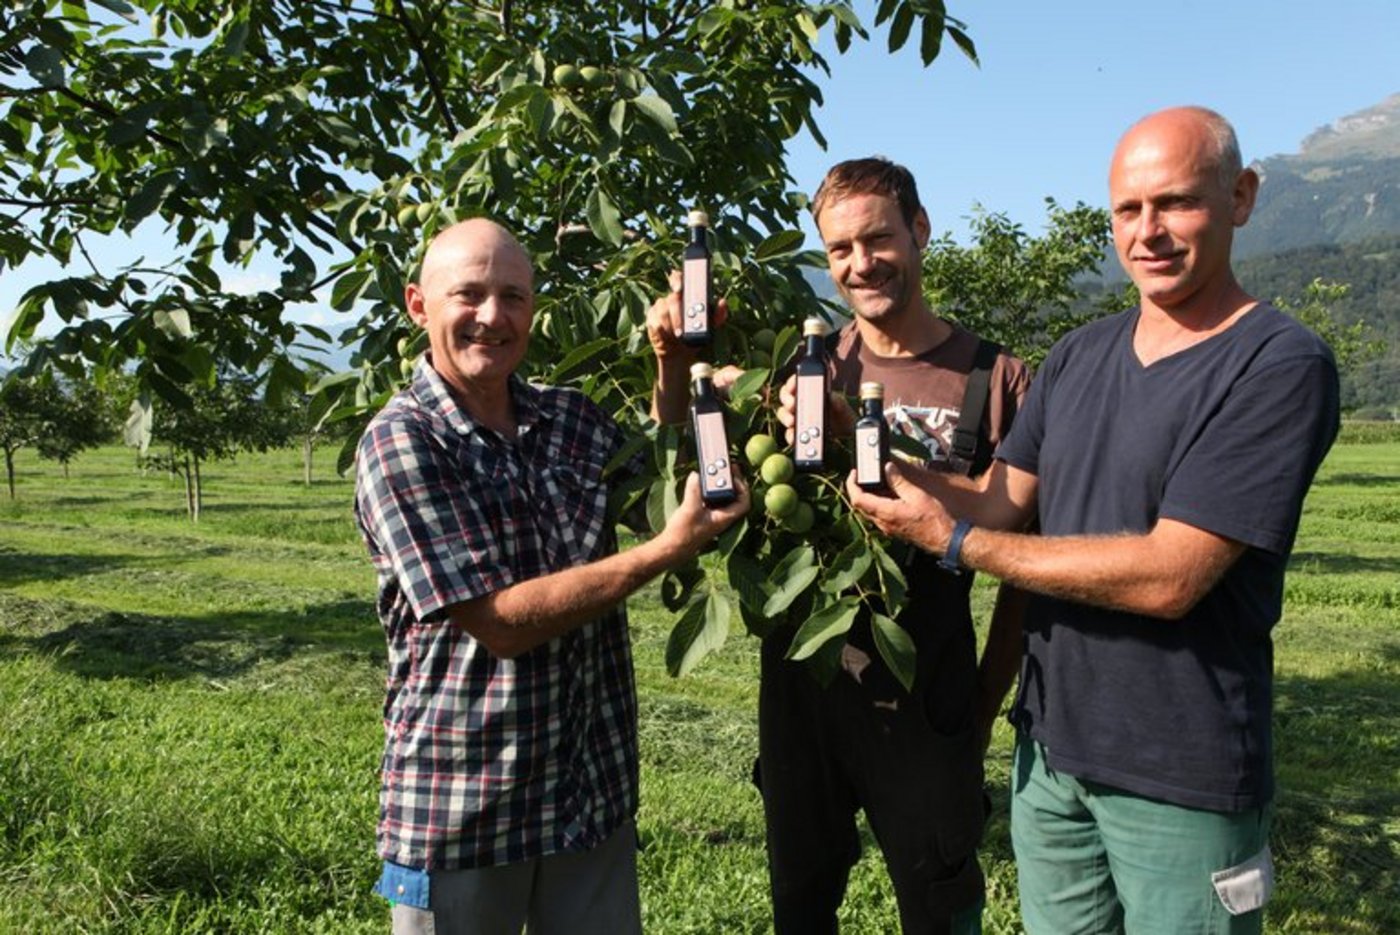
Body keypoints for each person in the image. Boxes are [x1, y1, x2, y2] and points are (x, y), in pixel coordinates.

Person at [847, 107, 1341, 934]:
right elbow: (999, 498)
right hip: (1052, 755)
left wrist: (960, 543)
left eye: (1175, 203)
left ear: (1242, 196)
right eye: (1127, 210)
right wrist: (874, 459)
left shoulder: (1278, 363)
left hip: (1182, 771)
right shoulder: (1079, 355)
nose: (1148, 231)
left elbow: (1171, 576)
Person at [649, 158, 1031, 934]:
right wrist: (678, 363)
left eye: (878, 238)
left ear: (920, 231)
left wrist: (983, 704)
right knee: (801, 900)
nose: (861, 264)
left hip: (927, 689)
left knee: (940, 904)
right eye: (840, 249)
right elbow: (696, 457)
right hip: (801, 693)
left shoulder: (997, 379)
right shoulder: (798, 365)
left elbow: (1023, 559)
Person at [354, 218, 749, 935]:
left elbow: (659, 487)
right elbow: (500, 623)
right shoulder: (401, 440)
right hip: (465, 808)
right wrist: (662, 552)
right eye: (467, 294)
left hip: (587, 795)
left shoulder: (568, 419)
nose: (492, 316)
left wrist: (675, 364)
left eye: (512, 296)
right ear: (418, 304)